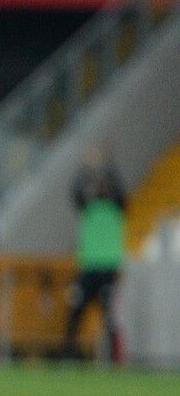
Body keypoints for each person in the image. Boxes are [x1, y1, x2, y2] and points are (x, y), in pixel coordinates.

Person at [62, 144, 126, 359]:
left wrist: (108, 166)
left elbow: (120, 189)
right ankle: (69, 353)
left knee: (110, 318)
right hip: (88, 268)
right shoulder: (89, 208)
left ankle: (112, 357)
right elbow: (75, 192)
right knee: (76, 310)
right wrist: (87, 167)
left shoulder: (116, 208)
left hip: (108, 267)